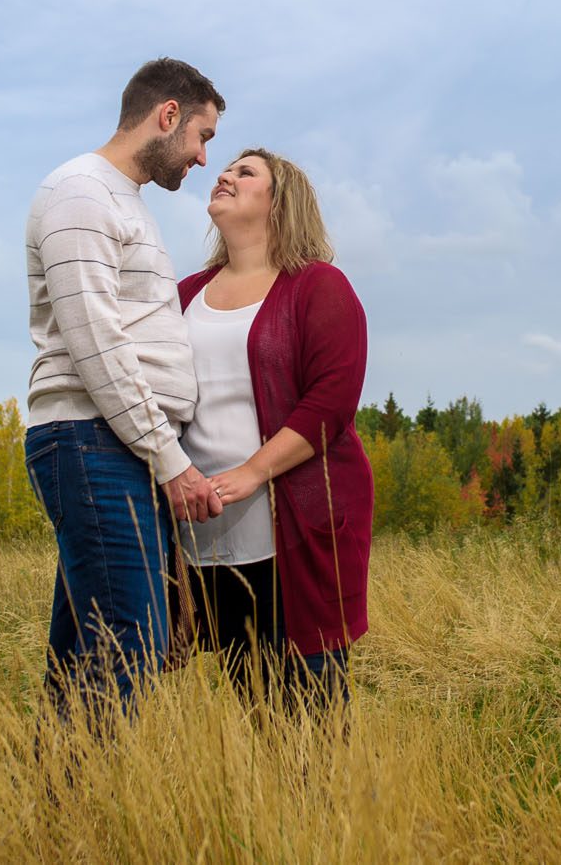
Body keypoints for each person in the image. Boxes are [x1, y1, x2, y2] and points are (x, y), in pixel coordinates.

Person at [22, 57, 227, 718]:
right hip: (94, 442)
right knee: (131, 642)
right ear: (168, 115)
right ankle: (94, 807)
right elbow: (95, 341)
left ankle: (59, 809)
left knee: (89, 645)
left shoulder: (122, 202)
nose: (200, 157)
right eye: (202, 136)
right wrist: (171, 461)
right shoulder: (80, 192)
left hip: (117, 446)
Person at [175, 148, 372, 707]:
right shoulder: (185, 295)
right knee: (252, 707)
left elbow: (330, 403)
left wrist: (253, 472)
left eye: (244, 172)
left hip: (295, 532)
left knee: (311, 715)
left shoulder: (318, 287)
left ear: (278, 202)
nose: (225, 175)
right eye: (226, 168)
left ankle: (319, 800)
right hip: (207, 532)